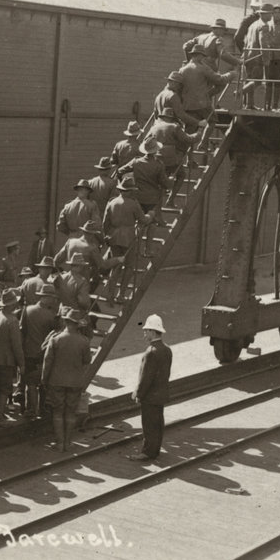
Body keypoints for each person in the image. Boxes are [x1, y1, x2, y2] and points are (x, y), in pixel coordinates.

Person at [41, 308, 91, 452]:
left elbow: (47, 362)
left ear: (65, 321)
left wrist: (45, 379)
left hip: (56, 381)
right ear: (77, 324)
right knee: (70, 412)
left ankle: (59, 443)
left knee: (57, 411)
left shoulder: (55, 340)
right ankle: (68, 443)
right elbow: (87, 361)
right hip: (75, 382)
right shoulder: (84, 341)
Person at [130, 314, 171, 461]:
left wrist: (138, 393)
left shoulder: (151, 352)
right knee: (158, 423)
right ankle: (155, 450)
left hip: (150, 396)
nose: (144, 333)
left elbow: (146, 378)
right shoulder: (167, 350)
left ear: (153, 332)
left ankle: (147, 452)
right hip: (161, 394)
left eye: (146, 331)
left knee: (148, 424)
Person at [104, 176, 151, 302]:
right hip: (128, 238)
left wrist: (108, 236)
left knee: (116, 266)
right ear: (129, 191)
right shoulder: (133, 204)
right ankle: (121, 295)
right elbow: (143, 220)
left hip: (114, 237)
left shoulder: (112, 202)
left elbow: (105, 223)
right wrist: (150, 215)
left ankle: (110, 294)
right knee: (129, 267)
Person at [0, 290, 24, 427]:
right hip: (7, 360)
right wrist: (21, 363)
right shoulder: (12, 321)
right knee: (4, 389)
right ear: (12, 304)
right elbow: (17, 345)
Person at [20, 284, 58, 419]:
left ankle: (30, 409)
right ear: (45, 298)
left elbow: (22, 331)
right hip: (44, 354)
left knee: (30, 383)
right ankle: (42, 409)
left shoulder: (27, 310)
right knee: (43, 382)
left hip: (28, 352)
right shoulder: (52, 315)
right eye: (52, 298)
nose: (53, 300)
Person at [177, 44, 236, 122]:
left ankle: (192, 134)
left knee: (191, 125)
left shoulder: (182, 70)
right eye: (202, 56)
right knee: (213, 120)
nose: (203, 58)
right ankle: (204, 135)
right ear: (199, 55)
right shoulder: (202, 68)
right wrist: (231, 74)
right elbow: (220, 80)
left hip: (187, 104)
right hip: (202, 103)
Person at [242, 4, 275, 110]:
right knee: (257, 81)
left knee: (250, 80)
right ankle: (240, 92)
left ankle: (249, 104)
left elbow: (246, 42)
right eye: (270, 14)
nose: (271, 16)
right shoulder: (264, 26)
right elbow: (263, 44)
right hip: (257, 59)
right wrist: (266, 60)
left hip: (249, 57)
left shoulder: (252, 25)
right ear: (264, 14)